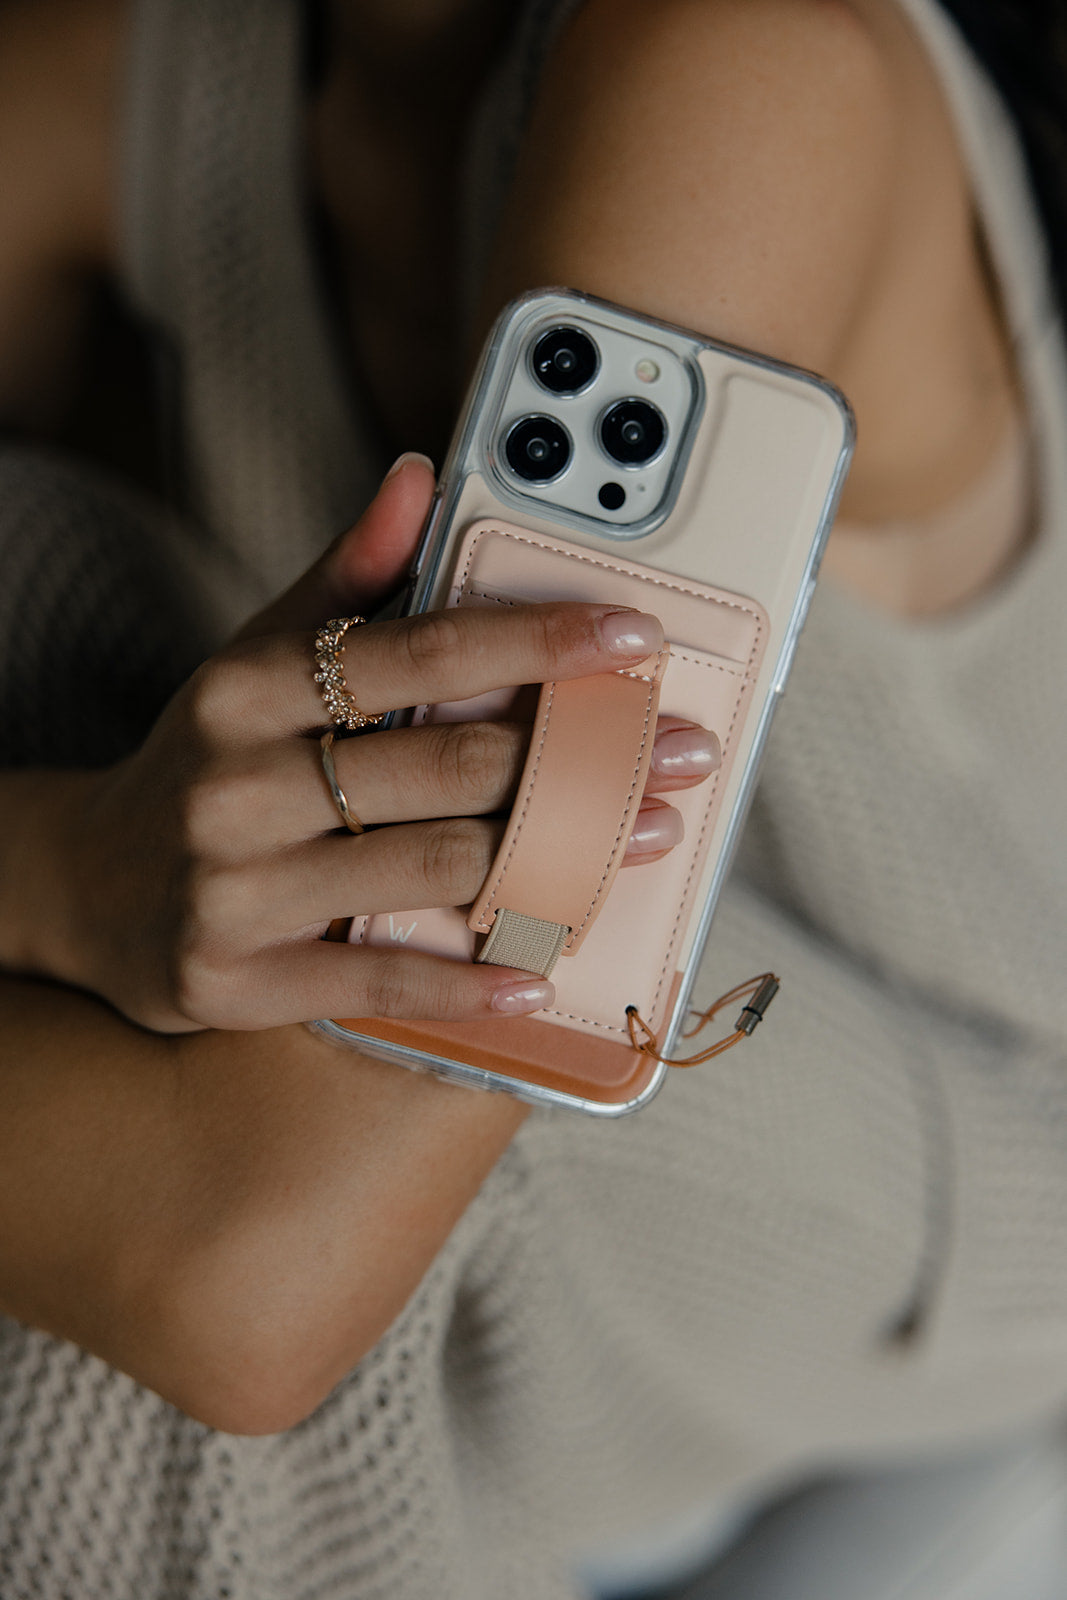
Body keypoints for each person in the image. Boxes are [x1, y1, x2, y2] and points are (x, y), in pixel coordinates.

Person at [0, 0, 1064, 1597]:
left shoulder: (734, 69)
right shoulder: (112, 75)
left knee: (133, 1343)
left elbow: (240, 1279)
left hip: (932, 1137)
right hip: (474, 1093)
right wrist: (56, 866)